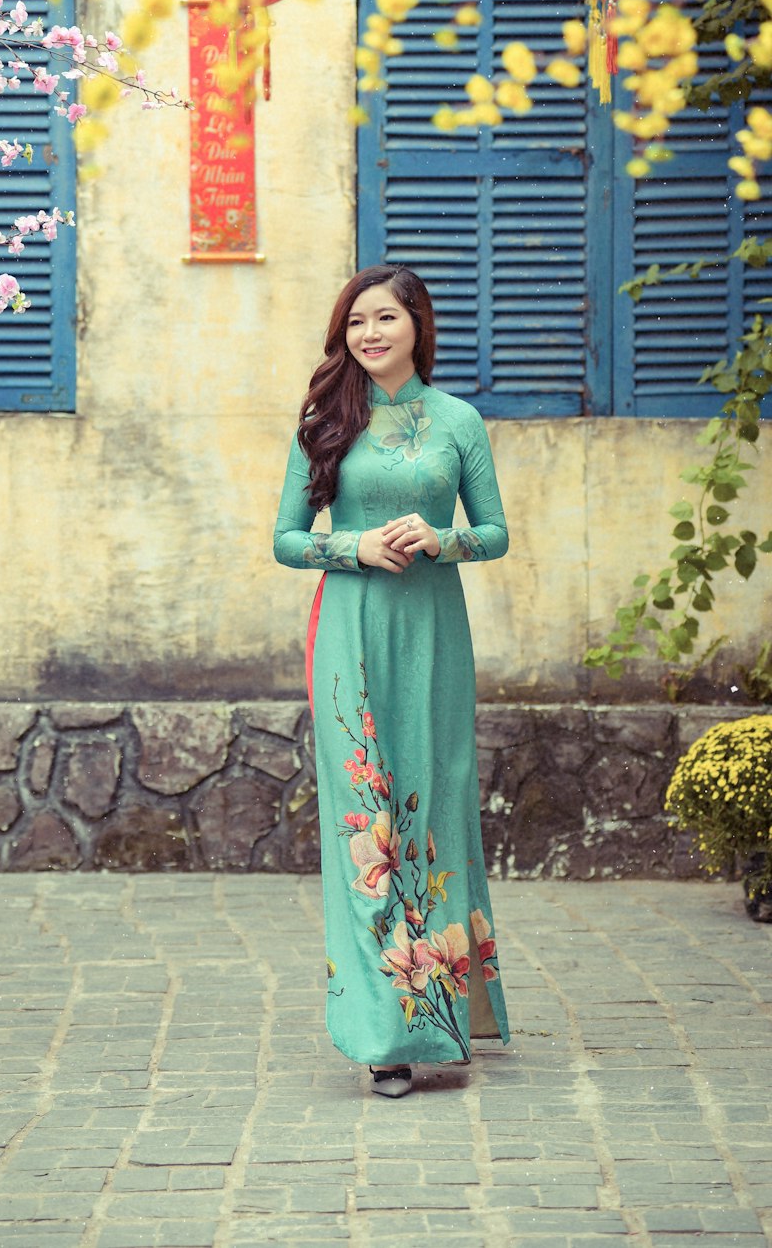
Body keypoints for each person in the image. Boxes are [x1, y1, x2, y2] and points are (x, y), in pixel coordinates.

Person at [273, 263, 510, 1098]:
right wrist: (356, 546)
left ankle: (444, 1019)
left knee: (438, 801)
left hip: (435, 632)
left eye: (384, 319)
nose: (368, 335)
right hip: (352, 629)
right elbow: (286, 539)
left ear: (417, 324)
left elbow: (496, 532)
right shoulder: (326, 421)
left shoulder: (458, 421)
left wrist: (440, 539)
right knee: (367, 822)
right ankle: (383, 1036)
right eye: (355, 323)